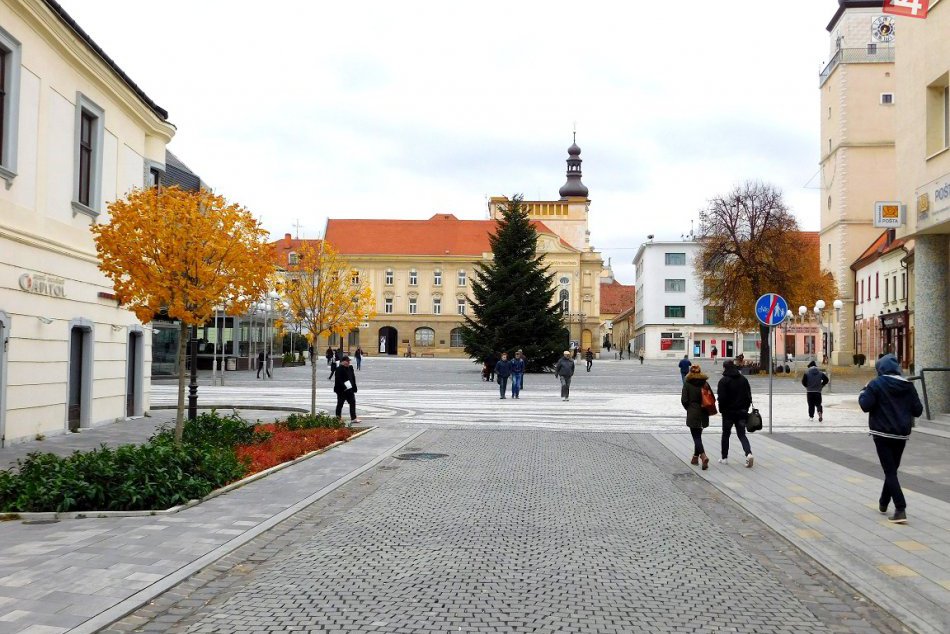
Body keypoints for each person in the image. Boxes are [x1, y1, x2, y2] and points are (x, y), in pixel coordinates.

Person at [859, 353, 923, 524]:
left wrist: (863, 391)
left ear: (880, 369)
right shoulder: (908, 386)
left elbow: (865, 405)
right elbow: (918, 410)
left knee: (890, 471)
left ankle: (900, 508)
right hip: (901, 434)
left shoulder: (876, 384)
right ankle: (883, 502)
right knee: (892, 469)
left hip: (882, 434)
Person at [717, 360, 754, 468]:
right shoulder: (743, 379)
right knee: (742, 434)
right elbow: (749, 396)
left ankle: (724, 458)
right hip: (741, 412)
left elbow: (722, 398)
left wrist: (722, 410)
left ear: (725, 368)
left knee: (726, 434)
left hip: (728, 413)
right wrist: (745, 408)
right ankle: (749, 453)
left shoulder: (723, 381)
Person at [681, 364, 712, 469]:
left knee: (696, 437)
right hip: (704, 412)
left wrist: (689, 408)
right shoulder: (705, 383)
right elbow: (711, 397)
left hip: (693, 412)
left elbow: (684, 400)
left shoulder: (687, 384)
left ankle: (703, 456)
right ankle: (695, 457)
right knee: (698, 435)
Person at [333, 355, 360, 425]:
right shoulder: (339, 369)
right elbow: (338, 380)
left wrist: (354, 387)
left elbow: (353, 378)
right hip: (341, 390)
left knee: (352, 402)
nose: (348, 362)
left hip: (350, 389)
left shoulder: (350, 368)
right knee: (340, 404)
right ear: (343, 362)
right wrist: (345, 387)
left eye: (349, 361)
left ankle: (353, 418)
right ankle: (338, 418)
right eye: (347, 361)